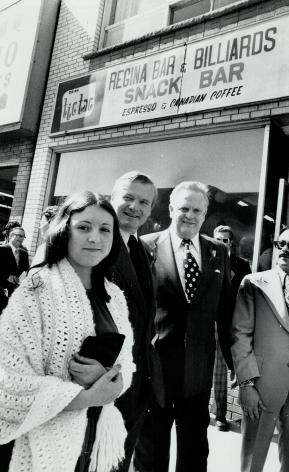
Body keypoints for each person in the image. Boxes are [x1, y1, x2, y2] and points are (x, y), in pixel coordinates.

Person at [0, 191, 135, 472]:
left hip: (97, 438)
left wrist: (111, 380)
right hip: (46, 441)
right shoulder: (35, 290)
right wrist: (86, 397)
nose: (95, 238)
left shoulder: (114, 295)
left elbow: (127, 364)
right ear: (64, 231)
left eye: (104, 229)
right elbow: (8, 381)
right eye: (84, 227)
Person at [135, 181, 233, 472]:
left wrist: (234, 362)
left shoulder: (218, 252)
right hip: (155, 372)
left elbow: (226, 310)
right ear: (170, 209)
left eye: (197, 210)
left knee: (194, 451)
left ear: (205, 215)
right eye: (184, 208)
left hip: (198, 372)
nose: (190, 215)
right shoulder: (145, 246)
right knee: (151, 452)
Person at [231, 226, 289, 472]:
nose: (284, 249)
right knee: (252, 462)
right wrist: (246, 384)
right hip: (262, 386)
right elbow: (240, 336)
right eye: (279, 244)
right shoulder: (253, 283)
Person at [108, 171, 164, 472]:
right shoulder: (94, 242)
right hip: (102, 381)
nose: (135, 207)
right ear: (111, 199)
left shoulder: (143, 250)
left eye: (144, 201)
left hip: (138, 381)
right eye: (127, 197)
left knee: (121, 459)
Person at [212, 225, 251, 431]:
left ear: (231, 243)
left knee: (222, 372)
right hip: (207, 324)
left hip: (230, 325)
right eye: (218, 239)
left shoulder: (241, 265)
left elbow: (247, 297)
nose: (221, 243)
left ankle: (220, 415)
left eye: (225, 240)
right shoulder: (205, 260)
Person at [0, 225, 29, 313]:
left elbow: (26, 271)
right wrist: (7, 277)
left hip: (15, 295)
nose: (21, 238)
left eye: (23, 236)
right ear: (11, 236)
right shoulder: (1, 250)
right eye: (19, 236)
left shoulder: (24, 253)